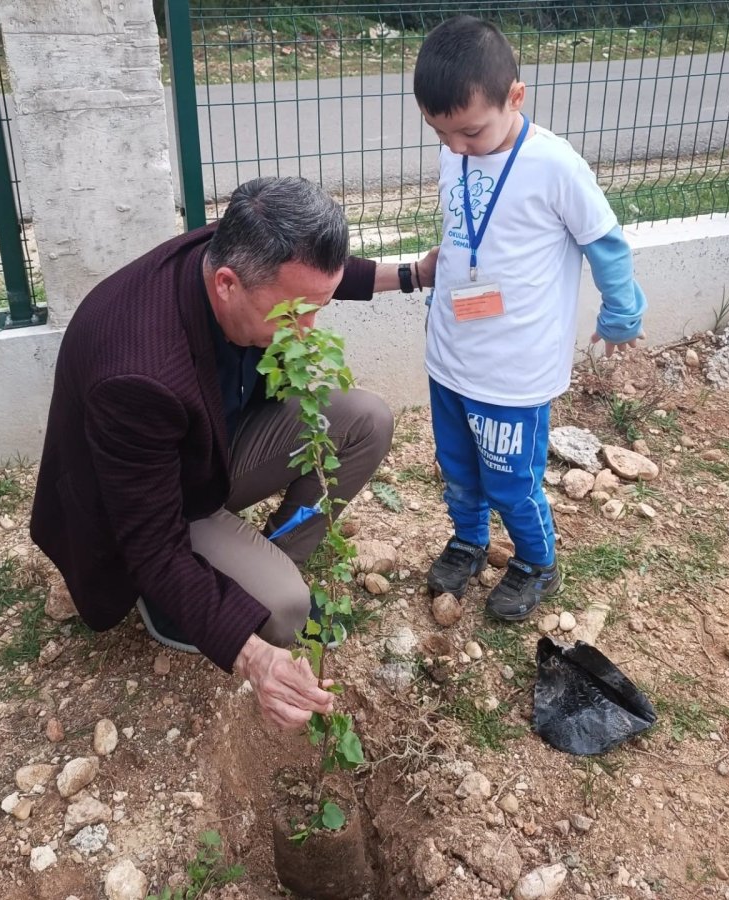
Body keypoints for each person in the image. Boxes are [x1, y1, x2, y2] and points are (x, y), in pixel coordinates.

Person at [30, 176, 432, 730]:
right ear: (227, 285)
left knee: (366, 420)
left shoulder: (245, 249)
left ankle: (262, 563)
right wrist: (255, 655)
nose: (309, 329)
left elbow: (317, 280)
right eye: (295, 313)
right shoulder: (138, 375)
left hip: (208, 453)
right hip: (150, 509)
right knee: (286, 609)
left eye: (316, 307)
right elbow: (151, 542)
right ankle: (179, 603)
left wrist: (414, 274)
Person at [413, 16, 647, 621]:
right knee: (458, 469)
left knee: (512, 482)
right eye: (443, 135)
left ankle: (536, 561)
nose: (457, 147)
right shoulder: (458, 152)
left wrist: (622, 313)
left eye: (469, 131)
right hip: (451, 356)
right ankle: (468, 539)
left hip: (514, 373)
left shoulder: (555, 165)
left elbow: (606, 242)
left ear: (515, 96)